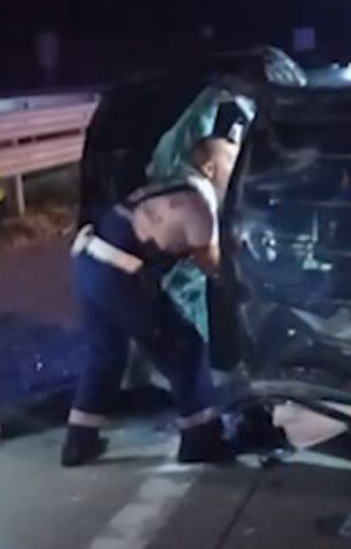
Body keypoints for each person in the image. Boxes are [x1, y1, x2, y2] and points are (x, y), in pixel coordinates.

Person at [61, 134, 239, 467]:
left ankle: (78, 442)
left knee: (106, 356)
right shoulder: (198, 203)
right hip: (118, 275)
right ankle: (201, 439)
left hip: (88, 262)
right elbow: (210, 264)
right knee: (185, 347)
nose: (238, 165)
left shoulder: (171, 187)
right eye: (231, 158)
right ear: (209, 167)